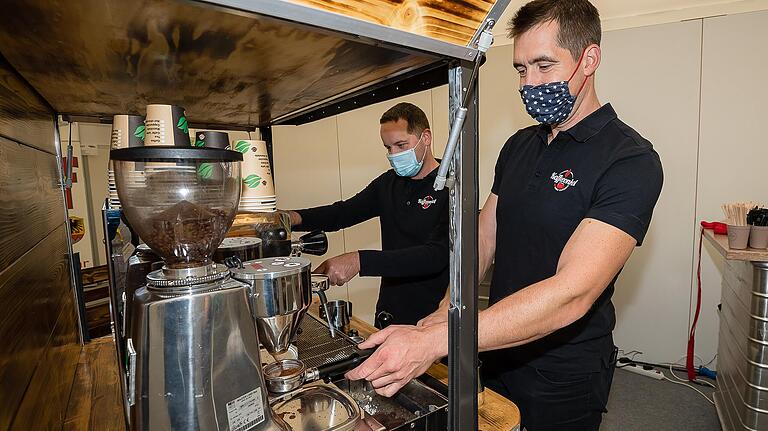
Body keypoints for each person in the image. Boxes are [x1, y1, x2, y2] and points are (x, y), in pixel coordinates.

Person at [345, 1, 664, 430]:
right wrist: (448, 310)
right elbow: (483, 238)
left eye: (544, 66)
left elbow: (573, 292)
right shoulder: (519, 146)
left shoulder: (630, 160)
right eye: (520, 69)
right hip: (494, 347)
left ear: (589, 59)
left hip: (563, 371)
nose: (529, 83)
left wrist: (441, 338)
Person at [287, 102, 449, 326]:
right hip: (389, 314)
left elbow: (435, 256)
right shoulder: (389, 184)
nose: (394, 155)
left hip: (434, 318)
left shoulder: (452, 186)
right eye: (388, 148)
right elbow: (342, 213)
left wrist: (359, 261)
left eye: (401, 145)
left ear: (426, 137)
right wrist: (292, 219)